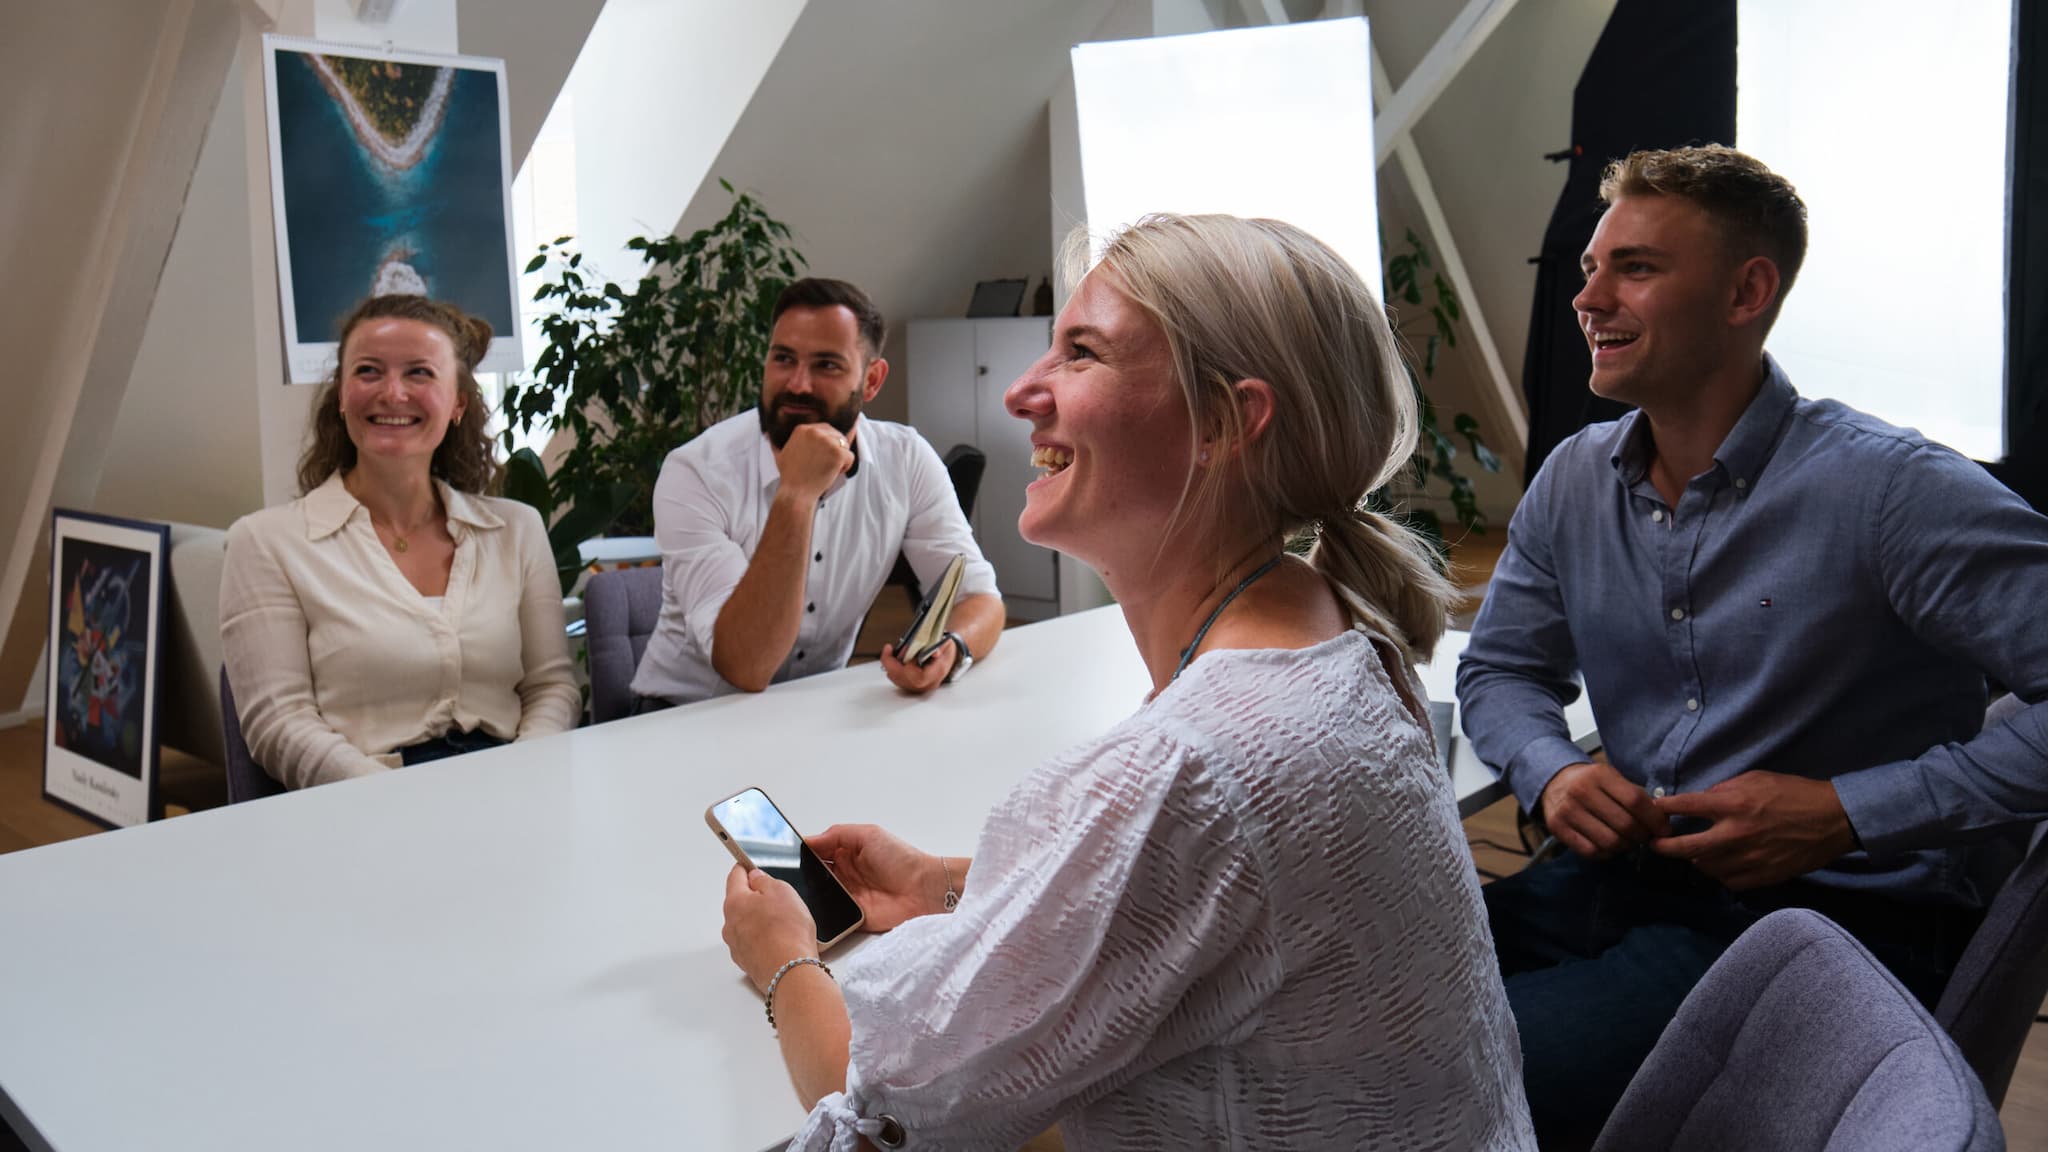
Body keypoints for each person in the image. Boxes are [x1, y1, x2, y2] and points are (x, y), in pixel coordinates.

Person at [720, 215, 1535, 1150]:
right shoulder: (1338, 635)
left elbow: (879, 1124)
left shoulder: (1193, 769)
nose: (1022, 393)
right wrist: (951, 884)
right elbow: (1206, 908)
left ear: (1228, 423)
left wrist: (785, 956)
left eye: (1081, 354)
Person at [1457, 144, 2048, 1146]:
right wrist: (1551, 771)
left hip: (1829, 927)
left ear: (1745, 292)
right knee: (1365, 1012)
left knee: (1463, 1085)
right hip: (1628, 881)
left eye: (1632, 268)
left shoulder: (1891, 491)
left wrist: (1843, 813)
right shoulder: (1572, 479)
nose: (1585, 298)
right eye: (1589, 268)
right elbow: (1502, 668)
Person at [220, 295, 579, 789]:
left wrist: (521, 776)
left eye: (419, 373)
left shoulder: (518, 529)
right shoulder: (265, 542)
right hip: (362, 801)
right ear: (342, 395)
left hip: (514, 787)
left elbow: (551, 687)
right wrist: (395, 799)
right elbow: (278, 723)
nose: (392, 393)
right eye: (368, 371)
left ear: (458, 403)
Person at [629, 277, 1004, 709]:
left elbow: (979, 597)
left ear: (872, 380)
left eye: (827, 365)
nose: (797, 384)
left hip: (813, 708)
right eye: (783, 359)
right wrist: (797, 494)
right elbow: (745, 666)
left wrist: (949, 651)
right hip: (682, 716)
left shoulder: (905, 458)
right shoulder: (696, 471)